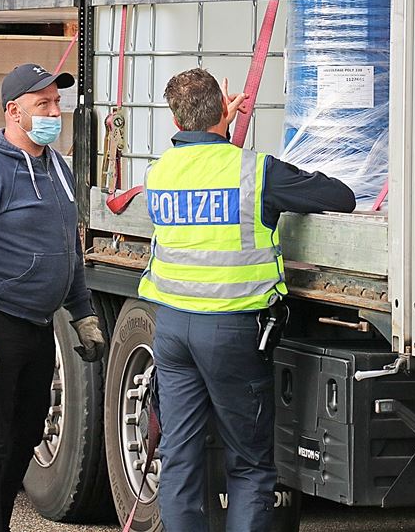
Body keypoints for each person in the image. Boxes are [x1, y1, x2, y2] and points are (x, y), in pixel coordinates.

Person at [139, 68, 356, 532]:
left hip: (173, 328)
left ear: (175, 123)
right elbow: (340, 197)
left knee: (180, 457)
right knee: (250, 464)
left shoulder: (158, 173)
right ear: (224, 110)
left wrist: (216, 124)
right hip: (232, 331)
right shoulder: (255, 170)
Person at [0, 63, 106, 532]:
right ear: (14, 111)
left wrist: (83, 313)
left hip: (36, 327)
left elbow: (67, 247)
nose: (56, 112)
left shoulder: (56, 165)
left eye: (57, 102)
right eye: (43, 104)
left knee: (24, 437)